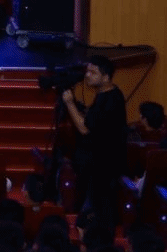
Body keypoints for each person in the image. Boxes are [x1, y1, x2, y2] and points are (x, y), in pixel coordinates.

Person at [61, 55, 128, 231]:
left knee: (94, 213)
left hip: (104, 166)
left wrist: (69, 103)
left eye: (93, 72)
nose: (87, 75)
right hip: (99, 164)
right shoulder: (105, 95)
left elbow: (84, 128)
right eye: (87, 71)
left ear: (106, 77)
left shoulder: (110, 99)